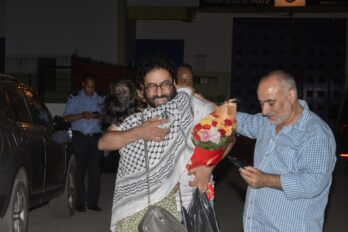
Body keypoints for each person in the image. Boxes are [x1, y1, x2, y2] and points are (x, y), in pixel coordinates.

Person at [98, 55, 233, 232]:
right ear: (141, 90)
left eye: (165, 84)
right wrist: (139, 132)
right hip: (144, 206)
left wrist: (209, 167)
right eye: (152, 86)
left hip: (189, 200)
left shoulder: (191, 107)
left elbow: (229, 133)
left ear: (174, 84)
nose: (160, 92)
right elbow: (104, 142)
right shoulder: (136, 115)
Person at [236, 70, 336, 232]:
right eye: (262, 104)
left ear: (291, 95)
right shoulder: (269, 121)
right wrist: (205, 107)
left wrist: (266, 180)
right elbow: (243, 121)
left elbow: (314, 182)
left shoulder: (315, 134)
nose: (264, 111)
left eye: (271, 103)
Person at [63, 74, 104, 212]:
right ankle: (79, 202)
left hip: (95, 139)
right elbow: (66, 118)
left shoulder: (100, 98)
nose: (90, 89)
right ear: (83, 84)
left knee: (95, 172)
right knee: (79, 171)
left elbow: (108, 116)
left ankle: (92, 202)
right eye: (88, 86)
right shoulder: (74, 98)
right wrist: (81, 115)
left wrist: (99, 117)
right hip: (80, 138)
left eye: (93, 86)